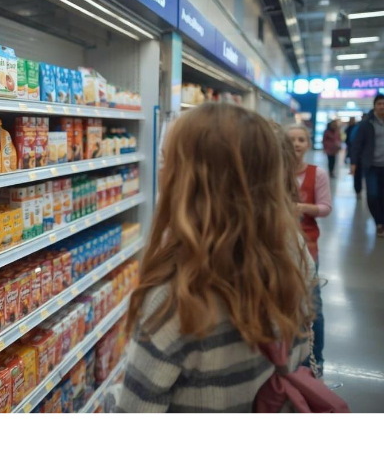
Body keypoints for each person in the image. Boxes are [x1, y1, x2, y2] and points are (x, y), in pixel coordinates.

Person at [105, 104, 315, 413]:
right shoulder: (291, 255)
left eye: (167, 160)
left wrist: (110, 397)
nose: (160, 172)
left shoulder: (176, 301)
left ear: (194, 182)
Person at [286, 123, 332, 377]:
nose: (296, 144)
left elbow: (325, 208)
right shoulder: (274, 172)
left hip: (308, 246)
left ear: (308, 143)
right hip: (280, 246)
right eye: (291, 139)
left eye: (301, 139)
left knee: (313, 304)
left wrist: (302, 208)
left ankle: (316, 360)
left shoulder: (318, 174)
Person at [350, 94, 384, 238]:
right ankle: (379, 222)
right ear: (374, 106)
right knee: (372, 196)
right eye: (379, 104)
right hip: (371, 166)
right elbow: (357, 144)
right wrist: (353, 163)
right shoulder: (367, 124)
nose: (382, 106)